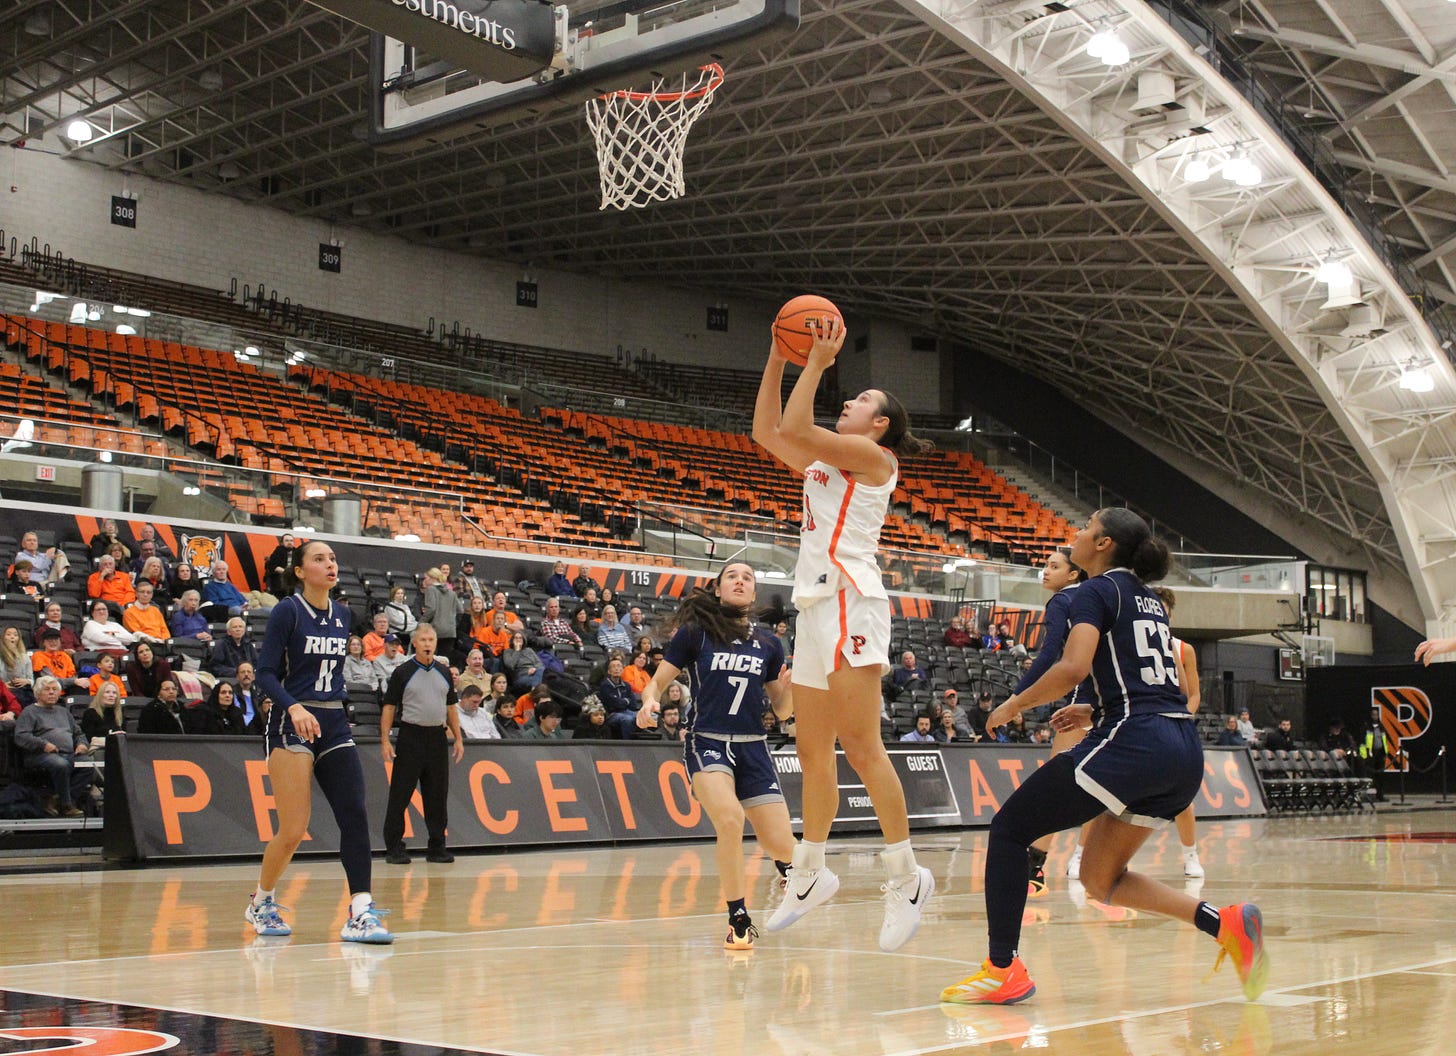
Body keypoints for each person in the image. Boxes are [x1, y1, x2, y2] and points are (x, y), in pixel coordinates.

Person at [938, 508, 1267, 1006]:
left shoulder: (1093, 591)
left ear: (1103, 542)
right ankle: (1223, 923)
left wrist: (1012, 705)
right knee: (1099, 879)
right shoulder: (1151, 601)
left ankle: (1002, 969)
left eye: (1086, 525)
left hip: (1137, 742)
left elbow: (1071, 667)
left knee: (1009, 830)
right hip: (1180, 747)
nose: (1076, 530)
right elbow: (1151, 680)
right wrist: (1093, 712)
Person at [752, 317, 934, 951]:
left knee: (861, 747)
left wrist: (816, 365)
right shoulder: (828, 460)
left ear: (879, 424)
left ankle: (907, 876)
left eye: (861, 402)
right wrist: (778, 358)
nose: (850, 403)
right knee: (810, 753)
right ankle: (812, 868)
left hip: (854, 600)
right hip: (814, 609)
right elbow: (768, 432)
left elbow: (798, 428)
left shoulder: (873, 458)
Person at [636, 562, 797, 950]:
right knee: (729, 819)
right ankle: (738, 916)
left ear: (754, 593)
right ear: (719, 589)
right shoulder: (696, 634)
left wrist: (792, 689)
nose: (741, 580)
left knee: (782, 845)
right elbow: (657, 683)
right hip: (707, 740)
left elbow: (783, 711)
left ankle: (787, 868)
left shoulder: (770, 644)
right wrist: (648, 703)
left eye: (748, 577)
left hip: (753, 745)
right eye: (732, 576)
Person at [247, 539, 393, 944]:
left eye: (332, 558)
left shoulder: (343, 614)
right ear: (299, 571)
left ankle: (360, 910)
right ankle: (261, 900)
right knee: (294, 829)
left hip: (333, 721)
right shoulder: (287, 611)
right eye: (319, 558)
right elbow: (265, 674)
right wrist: (294, 707)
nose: (330, 564)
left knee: (355, 814)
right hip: (290, 721)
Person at [380, 624, 463, 865]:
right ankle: (394, 847)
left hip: (437, 738)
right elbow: (389, 707)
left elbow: (450, 707)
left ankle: (437, 846)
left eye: (432, 640)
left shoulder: (444, 672)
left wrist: (457, 737)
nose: (428, 644)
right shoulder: (403, 672)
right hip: (410, 736)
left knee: (437, 795)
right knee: (400, 793)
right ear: (414, 643)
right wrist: (385, 740)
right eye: (423, 640)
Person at [1154, 586, 1204, 880]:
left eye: (1164, 610)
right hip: (1141, 723)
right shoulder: (1131, 643)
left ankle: (1190, 856)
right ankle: (1081, 855)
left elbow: (1195, 695)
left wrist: (1183, 717)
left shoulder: (1184, 649)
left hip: (1174, 726)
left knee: (1182, 799)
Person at [15, 676, 93, 817]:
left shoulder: (64, 712)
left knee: (87, 765)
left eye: (55, 689)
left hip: (68, 754)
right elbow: (21, 736)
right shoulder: (29, 712)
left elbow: (78, 733)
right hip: (40, 755)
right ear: (37, 693)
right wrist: (43, 744)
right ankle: (66, 805)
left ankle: (60, 800)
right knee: (60, 765)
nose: (52, 692)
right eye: (47, 689)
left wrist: (82, 744)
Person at [596, 656, 640, 738]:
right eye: (613, 666)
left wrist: (622, 702)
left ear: (622, 670)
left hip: (627, 711)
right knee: (627, 719)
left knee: (644, 716)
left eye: (619, 666)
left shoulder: (626, 685)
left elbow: (633, 704)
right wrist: (626, 701)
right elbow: (614, 705)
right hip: (612, 714)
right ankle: (627, 743)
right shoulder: (605, 686)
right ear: (609, 671)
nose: (616, 669)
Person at [122, 579, 171, 645]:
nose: (145, 595)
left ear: (152, 595)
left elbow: (164, 630)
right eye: (142, 592)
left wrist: (164, 641)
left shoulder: (155, 610)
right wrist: (154, 641)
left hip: (161, 643)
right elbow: (137, 633)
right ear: (136, 594)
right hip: (144, 644)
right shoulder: (129, 612)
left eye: (148, 592)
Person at [0, 625, 35, 705]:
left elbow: (31, 679)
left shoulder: (25, 657)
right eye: (8, 634)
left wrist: (26, 681)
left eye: (15, 635)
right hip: (3, 690)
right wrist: (3, 685)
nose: (12, 637)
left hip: (22, 690)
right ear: (3, 638)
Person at [501, 630, 543, 695]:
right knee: (541, 679)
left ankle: (534, 689)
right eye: (516, 638)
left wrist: (535, 669)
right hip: (521, 676)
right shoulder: (508, 652)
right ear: (512, 640)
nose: (518, 640)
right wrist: (517, 650)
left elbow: (540, 664)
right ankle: (535, 690)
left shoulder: (529, 650)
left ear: (523, 640)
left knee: (541, 670)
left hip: (535, 673)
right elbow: (510, 665)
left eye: (520, 638)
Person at [264, 532, 296, 598]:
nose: (289, 542)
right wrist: (286, 572)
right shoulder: (279, 551)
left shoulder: (297, 552)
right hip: (280, 579)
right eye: (287, 541)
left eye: (291, 541)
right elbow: (272, 566)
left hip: (294, 578)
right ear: (282, 543)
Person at [234, 662, 262, 729]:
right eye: (243, 672)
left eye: (249, 672)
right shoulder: (232, 693)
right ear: (237, 677)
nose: (246, 674)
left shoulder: (259, 694)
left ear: (253, 676)